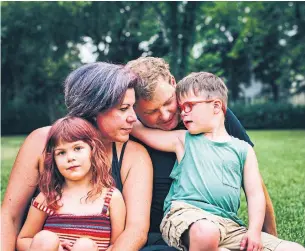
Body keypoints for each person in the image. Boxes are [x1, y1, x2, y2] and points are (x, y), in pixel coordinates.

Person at [131, 72, 305, 251]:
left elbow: (255, 195)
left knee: (294, 249)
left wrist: (253, 231)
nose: (183, 113)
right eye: (182, 108)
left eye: (189, 106)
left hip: (229, 225)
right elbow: (140, 131)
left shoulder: (243, 150)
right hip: (186, 216)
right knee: (207, 233)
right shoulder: (183, 140)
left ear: (216, 106)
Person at [1, 62, 153, 251]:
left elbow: (135, 230)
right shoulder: (41, 141)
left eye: (132, 108)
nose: (133, 118)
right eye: (123, 109)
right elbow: (9, 216)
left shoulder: (134, 155)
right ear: (94, 108)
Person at [17, 116, 126, 251]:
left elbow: (117, 245)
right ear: (53, 160)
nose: (70, 158)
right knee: (45, 238)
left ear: (93, 150)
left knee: (84, 246)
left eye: (78, 148)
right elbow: (23, 239)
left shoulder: (111, 198)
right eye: (61, 152)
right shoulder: (48, 198)